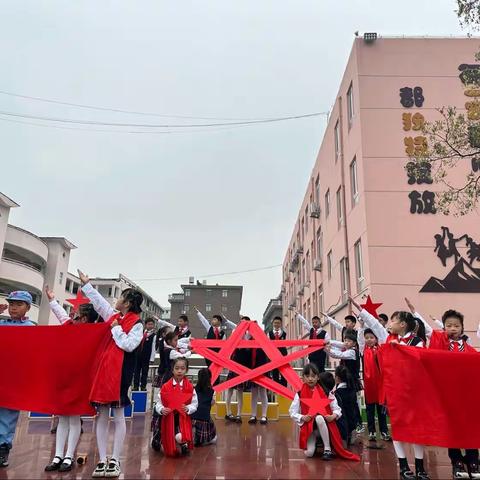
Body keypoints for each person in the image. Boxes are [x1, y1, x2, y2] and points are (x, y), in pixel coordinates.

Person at [350, 296, 429, 480]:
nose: (389, 323)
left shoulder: (417, 341)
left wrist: (399, 348)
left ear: (403, 324)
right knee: (398, 428)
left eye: (393, 320)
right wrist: (362, 311)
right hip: (395, 392)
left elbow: (418, 358)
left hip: (414, 393)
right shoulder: (388, 338)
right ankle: (403, 465)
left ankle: (419, 466)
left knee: (417, 430)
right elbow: (375, 325)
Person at [78, 270, 144, 478]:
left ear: (128, 303)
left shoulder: (137, 323)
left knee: (118, 415)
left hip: (120, 375)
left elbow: (129, 345)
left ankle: (115, 459)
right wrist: (87, 285)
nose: (116, 301)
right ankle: (102, 459)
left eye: (121, 297)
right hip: (104, 373)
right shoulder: (115, 316)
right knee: (102, 416)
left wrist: (116, 329)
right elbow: (100, 304)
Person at [414, 308, 479, 479]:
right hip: (447, 396)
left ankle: (473, 461)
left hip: (465, 397)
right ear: (444, 327)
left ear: (462, 328)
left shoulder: (469, 349)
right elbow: (428, 330)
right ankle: (456, 462)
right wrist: (415, 313)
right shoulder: (440, 344)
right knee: (452, 430)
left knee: (470, 428)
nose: (453, 328)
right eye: (449, 325)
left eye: (456, 325)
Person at [43, 286, 99, 473]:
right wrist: (52, 301)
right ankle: (58, 455)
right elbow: (62, 316)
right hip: (65, 380)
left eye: (75, 314)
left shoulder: (93, 333)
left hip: (80, 382)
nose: (71, 317)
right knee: (62, 418)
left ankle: (69, 456)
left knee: (74, 419)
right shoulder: (70, 328)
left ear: (84, 319)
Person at [0, 291, 36, 468]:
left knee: (8, 416)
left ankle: (2, 449)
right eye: (11, 303)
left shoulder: (30, 328)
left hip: (13, 379)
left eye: (19, 304)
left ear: (28, 307)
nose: (14, 307)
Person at [289, 363, 341, 459]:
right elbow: (292, 412)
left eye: (313, 376)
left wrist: (333, 416)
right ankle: (317, 442)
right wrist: (302, 417)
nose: (310, 379)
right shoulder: (299, 394)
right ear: (303, 378)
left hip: (326, 425)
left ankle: (327, 449)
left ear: (318, 377)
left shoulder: (326, 392)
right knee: (309, 453)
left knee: (319, 418)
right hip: (310, 428)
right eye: (307, 376)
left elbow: (337, 409)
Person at [155, 358, 198, 457]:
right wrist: (162, 409)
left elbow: (195, 403)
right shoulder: (166, 387)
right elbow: (158, 402)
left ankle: (183, 444)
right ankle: (158, 441)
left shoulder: (189, 387)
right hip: (168, 417)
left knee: (181, 435)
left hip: (183, 417)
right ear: (172, 370)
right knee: (163, 437)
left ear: (186, 370)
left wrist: (188, 408)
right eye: (177, 368)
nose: (179, 371)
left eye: (182, 368)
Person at [357, 319, 390, 442]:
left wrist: (373, 324)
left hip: (380, 385)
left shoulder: (380, 349)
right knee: (370, 410)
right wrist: (361, 327)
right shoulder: (363, 350)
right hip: (369, 386)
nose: (369, 339)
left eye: (371, 337)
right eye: (367, 337)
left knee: (381, 410)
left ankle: (384, 431)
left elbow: (381, 334)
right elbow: (360, 339)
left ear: (376, 339)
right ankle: (371, 431)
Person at [324, 332, 363, 434]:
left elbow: (338, 354)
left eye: (349, 341)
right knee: (348, 403)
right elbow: (338, 344)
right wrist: (327, 342)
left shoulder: (352, 352)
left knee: (353, 404)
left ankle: (357, 424)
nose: (346, 342)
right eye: (345, 340)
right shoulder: (347, 348)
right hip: (345, 380)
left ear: (354, 343)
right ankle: (353, 424)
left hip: (351, 381)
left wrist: (328, 349)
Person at [333, 366, 357, 446]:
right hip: (352, 423)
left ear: (337, 377)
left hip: (343, 425)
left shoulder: (338, 393)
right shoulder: (352, 389)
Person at [191, 369, 217, 447]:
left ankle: (193, 434)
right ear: (210, 378)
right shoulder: (211, 391)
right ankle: (203, 438)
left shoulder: (193, 389)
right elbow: (212, 403)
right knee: (214, 437)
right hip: (204, 418)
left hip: (192, 417)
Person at [133, 318, 157, 391]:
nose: (150, 326)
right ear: (145, 325)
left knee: (144, 372)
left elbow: (153, 348)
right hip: (138, 355)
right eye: (149, 324)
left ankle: (143, 386)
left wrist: (152, 359)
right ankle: (136, 386)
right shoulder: (141, 332)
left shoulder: (154, 335)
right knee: (136, 371)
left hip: (146, 356)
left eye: (152, 324)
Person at [268, 316, 288, 386]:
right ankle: (276, 389)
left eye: (278, 323)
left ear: (281, 324)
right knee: (275, 373)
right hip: (273, 356)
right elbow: (267, 345)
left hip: (283, 355)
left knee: (284, 373)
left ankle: (284, 390)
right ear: (273, 323)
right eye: (275, 323)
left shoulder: (284, 334)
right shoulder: (269, 334)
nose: (276, 324)